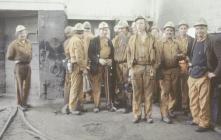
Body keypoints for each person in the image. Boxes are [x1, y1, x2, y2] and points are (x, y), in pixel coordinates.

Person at [127, 16, 160, 123]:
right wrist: (130, 68)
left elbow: (158, 55)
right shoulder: (132, 38)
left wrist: (154, 68)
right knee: (136, 93)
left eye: (142, 23)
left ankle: (148, 115)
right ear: (135, 26)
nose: (140, 25)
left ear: (146, 25)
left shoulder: (152, 38)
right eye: (137, 24)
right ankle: (137, 115)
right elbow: (128, 54)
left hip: (148, 67)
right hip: (136, 67)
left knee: (149, 93)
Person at [187, 18, 212, 132]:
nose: (199, 31)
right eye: (197, 28)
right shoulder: (194, 41)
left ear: (206, 29)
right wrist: (190, 65)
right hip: (192, 75)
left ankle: (204, 123)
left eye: (202, 28)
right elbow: (191, 56)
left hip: (203, 75)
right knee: (193, 99)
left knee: (203, 101)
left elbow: (216, 59)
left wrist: (213, 72)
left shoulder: (210, 42)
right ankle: (196, 119)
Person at [88, 22, 116, 113]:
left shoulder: (109, 40)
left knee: (108, 85)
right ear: (99, 30)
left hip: (107, 66)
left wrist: (111, 60)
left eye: (106, 29)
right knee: (97, 86)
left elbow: (112, 53)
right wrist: (98, 59)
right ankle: (97, 105)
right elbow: (90, 54)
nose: (104, 31)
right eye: (103, 29)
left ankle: (109, 105)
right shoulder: (94, 40)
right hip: (97, 66)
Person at [158, 21, 181, 123]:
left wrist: (180, 56)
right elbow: (157, 58)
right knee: (165, 93)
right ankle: (164, 114)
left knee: (174, 92)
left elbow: (182, 53)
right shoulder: (160, 43)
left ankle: (170, 109)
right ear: (164, 31)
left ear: (174, 32)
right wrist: (159, 72)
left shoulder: (177, 43)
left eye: (171, 30)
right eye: (167, 30)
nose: (169, 32)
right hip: (165, 71)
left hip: (175, 70)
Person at [7, 25, 32, 111]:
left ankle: (24, 102)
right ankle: (19, 104)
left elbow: (30, 52)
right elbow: (9, 56)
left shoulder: (28, 42)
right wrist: (16, 59)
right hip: (19, 67)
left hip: (27, 66)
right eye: (20, 33)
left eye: (24, 32)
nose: (23, 34)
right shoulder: (13, 44)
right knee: (19, 86)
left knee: (27, 86)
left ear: (26, 33)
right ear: (17, 34)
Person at [68, 23, 87, 115]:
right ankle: (72, 108)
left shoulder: (72, 39)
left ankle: (79, 106)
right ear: (81, 32)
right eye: (84, 32)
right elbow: (79, 57)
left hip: (75, 65)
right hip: (77, 66)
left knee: (79, 87)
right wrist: (84, 68)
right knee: (75, 87)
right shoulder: (77, 41)